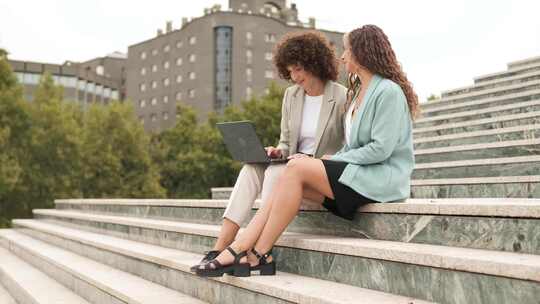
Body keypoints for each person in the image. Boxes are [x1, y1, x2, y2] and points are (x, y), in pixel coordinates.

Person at [194, 24, 420, 277]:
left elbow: (380, 149)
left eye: (347, 50)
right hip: (357, 174)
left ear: (362, 52)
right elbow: (352, 143)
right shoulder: (359, 92)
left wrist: (333, 158)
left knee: (293, 169)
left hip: (380, 180)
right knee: (285, 171)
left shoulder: (387, 91)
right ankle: (257, 253)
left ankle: (242, 249)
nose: (343, 57)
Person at [190, 30, 348, 272]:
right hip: (290, 164)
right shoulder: (291, 96)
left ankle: (255, 248)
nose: (294, 77)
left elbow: (348, 144)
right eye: (290, 71)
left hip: (316, 171)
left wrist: (307, 161)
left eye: (298, 69)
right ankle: (220, 247)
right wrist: (277, 151)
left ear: (314, 63)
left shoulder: (341, 96)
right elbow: (286, 141)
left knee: (277, 174)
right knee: (251, 167)